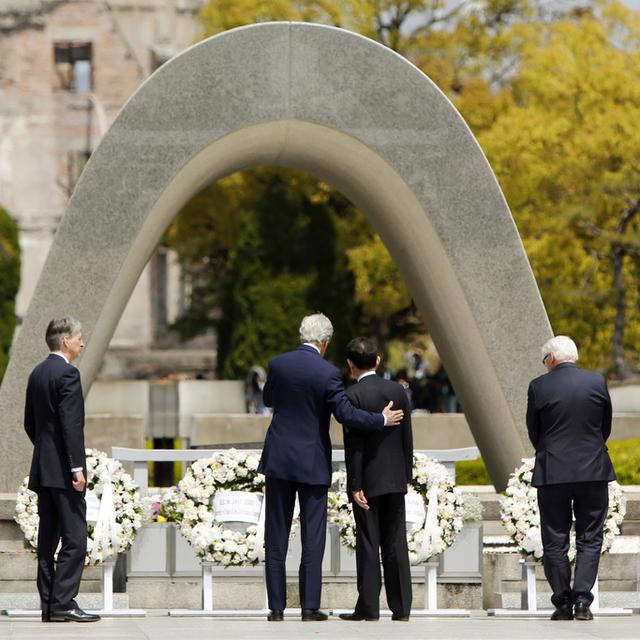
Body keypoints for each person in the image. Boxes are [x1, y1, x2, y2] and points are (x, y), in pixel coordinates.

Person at [258, 313, 404, 622]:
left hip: (279, 458)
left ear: (302, 335)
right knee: (313, 536)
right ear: (325, 342)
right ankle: (309, 607)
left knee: (275, 535)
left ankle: (276, 608)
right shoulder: (328, 373)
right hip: (312, 460)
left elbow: (269, 397)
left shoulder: (278, 364)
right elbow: (346, 414)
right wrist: (380, 419)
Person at [526, 335, 615, 622]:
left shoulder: (539, 386)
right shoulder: (597, 383)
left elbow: (534, 432)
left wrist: (551, 451)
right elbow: (605, 427)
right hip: (593, 470)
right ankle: (582, 601)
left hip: (553, 471)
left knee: (554, 539)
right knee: (590, 538)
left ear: (551, 358)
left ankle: (562, 600)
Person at [24, 317, 100, 623]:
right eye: (79, 337)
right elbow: (71, 425)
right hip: (65, 473)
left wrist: (46, 454)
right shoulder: (68, 373)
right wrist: (75, 467)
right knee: (75, 538)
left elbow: (30, 423)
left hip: (44, 470)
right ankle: (65, 602)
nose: (83, 342)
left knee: (47, 540)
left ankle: (50, 605)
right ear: (65, 340)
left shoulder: (37, 373)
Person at [340, 337, 413, 622]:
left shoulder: (352, 396)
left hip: (367, 481)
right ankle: (402, 607)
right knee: (396, 542)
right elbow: (407, 437)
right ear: (379, 360)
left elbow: (354, 445)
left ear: (350, 364)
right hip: (395, 478)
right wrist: (406, 474)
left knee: (369, 543)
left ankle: (369, 607)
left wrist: (355, 483)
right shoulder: (397, 389)